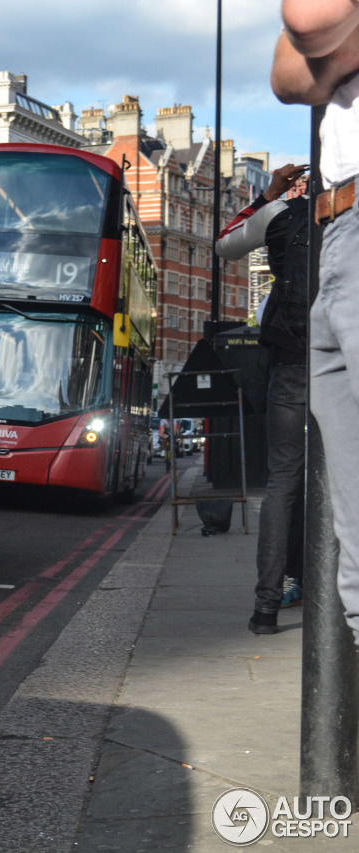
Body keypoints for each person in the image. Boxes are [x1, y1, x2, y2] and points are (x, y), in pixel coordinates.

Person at [272, 3, 359, 646]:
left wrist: (327, 58)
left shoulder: (272, 215)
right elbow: (287, 76)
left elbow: (305, 24)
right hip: (339, 241)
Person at [216, 162, 310, 634]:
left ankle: (266, 609)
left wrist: (268, 193)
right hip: (345, 361)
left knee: (284, 482)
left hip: (293, 363)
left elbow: (225, 244)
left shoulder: (280, 214)